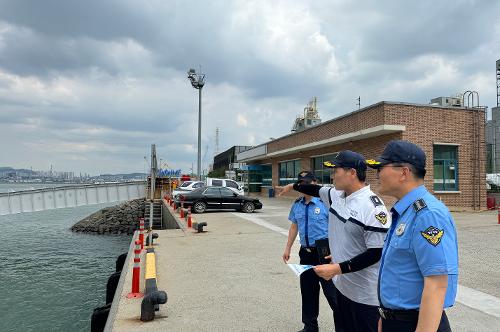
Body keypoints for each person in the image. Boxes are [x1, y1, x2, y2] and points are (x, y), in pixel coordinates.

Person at [279, 151, 391, 332]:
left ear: (351, 173)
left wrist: (337, 268)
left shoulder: (372, 207)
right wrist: (293, 186)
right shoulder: (336, 195)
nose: (332, 175)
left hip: (364, 297)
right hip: (342, 289)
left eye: (336, 170)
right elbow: (313, 189)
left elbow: (376, 253)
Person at [366, 140, 458, 332]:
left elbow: (437, 284)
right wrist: (386, 315)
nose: (377, 174)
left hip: (418, 323)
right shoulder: (405, 211)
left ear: (404, 172)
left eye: (381, 168)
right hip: (396, 320)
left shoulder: (427, 214)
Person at [283, 171, 337, 332]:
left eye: (307, 182)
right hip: (305, 253)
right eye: (301, 183)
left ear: (315, 183)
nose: (303, 186)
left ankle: (344, 325)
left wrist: (337, 250)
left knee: (332, 293)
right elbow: (294, 226)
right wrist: (288, 248)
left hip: (324, 252)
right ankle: (310, 326)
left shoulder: (325, 203)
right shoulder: (297, 204)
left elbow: (337, 228)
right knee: (308, 292)